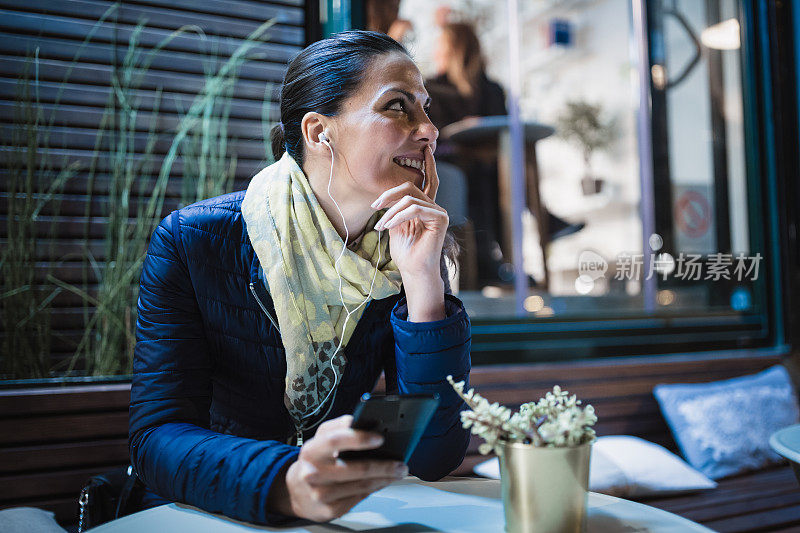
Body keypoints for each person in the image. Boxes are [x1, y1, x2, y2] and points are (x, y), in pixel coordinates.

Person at [128, 30, 471, 526]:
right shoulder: (193, 240)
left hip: (337, 515)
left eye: (426, 108)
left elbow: (433, 458)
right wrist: (285, 482)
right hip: (204, 510)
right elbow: (155, 438)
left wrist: (422, 286)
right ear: (318, 132)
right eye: (398, 107)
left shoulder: (409, 251)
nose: (429, 130)